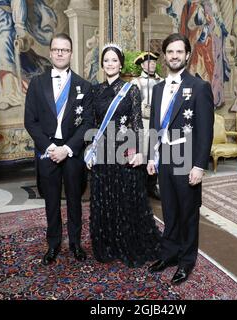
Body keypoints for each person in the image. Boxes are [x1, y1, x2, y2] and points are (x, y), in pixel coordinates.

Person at [85, 43, 161, 268]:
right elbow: (93, 123)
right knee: (105, 197)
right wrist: (89, 149)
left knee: (125, 198)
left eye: (114, 60)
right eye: (106, 60)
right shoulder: (95, 90)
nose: (110, 64)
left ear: (120, 64)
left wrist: (139, 152)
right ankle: (107, 243)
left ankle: (127, 241)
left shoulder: (131, 89)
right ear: (102, 64)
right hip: (102, 152)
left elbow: (137, 124)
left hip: (124, 151)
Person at [147, 34, 214, 284]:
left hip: (186, 160)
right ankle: (170, 254)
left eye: (179, 52)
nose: (174, 56)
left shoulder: (199, 87)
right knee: (170, 211)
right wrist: (153, 157)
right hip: (164, 159)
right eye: (170, 52)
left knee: (188, 214)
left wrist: (199, 165)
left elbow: (206, 131)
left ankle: (186, 261)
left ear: (187, 55)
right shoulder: (157, 89)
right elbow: (156, 126)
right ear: (164, 56)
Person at [24, 33, 93, 265]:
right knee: (51, 201)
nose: (60, 53)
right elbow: (30, 121)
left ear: (71, 53)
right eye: (56, 49)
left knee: (75, 200)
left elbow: (87, 123)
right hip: (47, 151)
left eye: (65, 49)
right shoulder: (36, 83)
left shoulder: (84, 86)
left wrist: (68, 149)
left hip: (72, 153)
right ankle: (53, 245)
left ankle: (75, 244)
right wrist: (51, 147)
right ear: (51, 52)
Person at [131, 51, 163, 200]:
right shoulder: (135, 82)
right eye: (149, 62)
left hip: (159, 124)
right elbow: (132, 105)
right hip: (143, 123)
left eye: (154, 62)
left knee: (156, 154)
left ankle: (152, 186)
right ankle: (142, 187)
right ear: (143, 65)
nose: (152, 65)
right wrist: (145, 108)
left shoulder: (162, 81)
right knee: (144, 154)